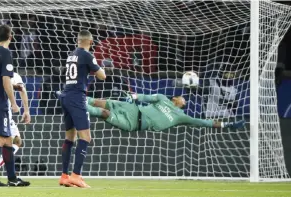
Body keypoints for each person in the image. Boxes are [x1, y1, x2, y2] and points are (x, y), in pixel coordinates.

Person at [0, 24, 29, 187]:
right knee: (0, 140)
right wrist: (15, 103)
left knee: (8, 140)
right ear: (11, 36)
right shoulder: (5, 52)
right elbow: (5, 80)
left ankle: (12, 179)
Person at [58, 30, 106, 188]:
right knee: (85, 138)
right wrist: (100, 67)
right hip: (77, 98)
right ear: (90, 42)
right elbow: (102, 76)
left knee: (69, 138)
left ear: (77, 40)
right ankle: (76, 176)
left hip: (65, 96)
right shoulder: (87, 55)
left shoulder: (71, 54)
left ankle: (64, 176)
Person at [84, 92, 245, 132]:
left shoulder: (181, 116)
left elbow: (204, 122)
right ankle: (77, 98)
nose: (184, 100)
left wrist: (227, 124)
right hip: (133, 109)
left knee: (103, 113)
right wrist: (133, 96)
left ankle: (78, 105)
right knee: (100, 102)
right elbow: (144, 96)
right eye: (182, 97)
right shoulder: (162, 98)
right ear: (175, 98)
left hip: (134, 124)